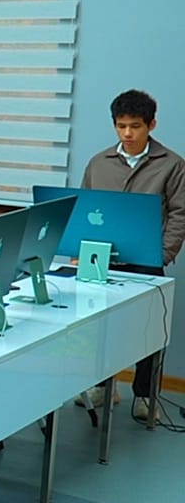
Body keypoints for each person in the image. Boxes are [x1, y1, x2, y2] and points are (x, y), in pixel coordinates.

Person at [80, 89, 185, 420]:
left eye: (135, 126)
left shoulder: (172, 165)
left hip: (147, 261)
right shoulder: (99, 163)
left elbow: (180, 213)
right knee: (100, 327)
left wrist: (163, 254)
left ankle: (144, 395)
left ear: (151, 125)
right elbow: (85, 209)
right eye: (121, 126)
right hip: (103, 260)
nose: (127, 133)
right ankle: (101, 387)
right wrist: (82, 252)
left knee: (150, 331)